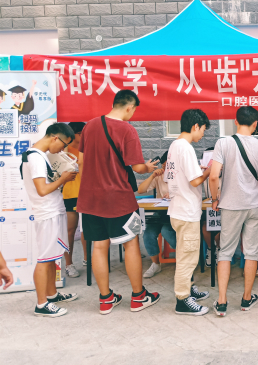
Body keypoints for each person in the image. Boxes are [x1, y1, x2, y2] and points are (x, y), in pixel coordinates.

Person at [78, 89, 160, 315]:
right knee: (131, 244)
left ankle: (105, 299)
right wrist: (148, 167)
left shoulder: (90, 126)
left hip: (90, 199)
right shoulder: (126, 129)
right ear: (129, 107)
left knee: (99, 246)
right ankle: (138, 297)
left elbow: (81, 161)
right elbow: (137, 167)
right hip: (119, 199)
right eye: (133, 111)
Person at [209, 106, 258, 317]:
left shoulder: (223, 143)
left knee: (225, 252)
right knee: (251, 252)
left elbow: (213, 176)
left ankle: (222, 302)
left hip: (230, 205)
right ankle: (246, 299)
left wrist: (215, 199)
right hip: (255, 205)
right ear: (256, 124)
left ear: (235, 121)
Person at [21, 122, 78, 317]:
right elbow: (42, 190)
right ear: (55, 137)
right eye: (63, 145)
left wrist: (62, 179)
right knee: (45, 259)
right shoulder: (36, 157)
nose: (62, 149)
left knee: (52, 257)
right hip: (47, 214)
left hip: (53, 210)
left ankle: (52, 295)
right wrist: (63, 179)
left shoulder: (39, 155)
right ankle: (41, 304)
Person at [165, 109, 212, 315]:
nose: (202, 134)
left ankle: (189, 289)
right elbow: (195, 181)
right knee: (188, 257)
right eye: (203, 130)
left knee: (186, 253)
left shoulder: (175, 145)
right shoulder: (186, 148)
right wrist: (209, 170)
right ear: (195, 126)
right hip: (187, 210)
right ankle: (182, 299)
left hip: (178, 209)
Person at [138, 151, 173, 278]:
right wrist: (152, 176)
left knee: (166, 231)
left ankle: (184, 258)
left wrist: (174, 194)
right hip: (160, 213)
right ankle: (156, 264)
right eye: (164, 166)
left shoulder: (181, 176)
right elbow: (140, 190)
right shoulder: (159, 177)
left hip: (175, 213)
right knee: (148, 234)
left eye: (169, 166)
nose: (166, 168)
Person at [63, 121, 87, 278]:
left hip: (87, 193)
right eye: (83, 133)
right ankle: (69, 264)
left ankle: (87, 259)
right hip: (69, 194)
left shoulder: (87, 149)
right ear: (76, 134)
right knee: (70, 230)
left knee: (86, 229)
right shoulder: (63, 150)